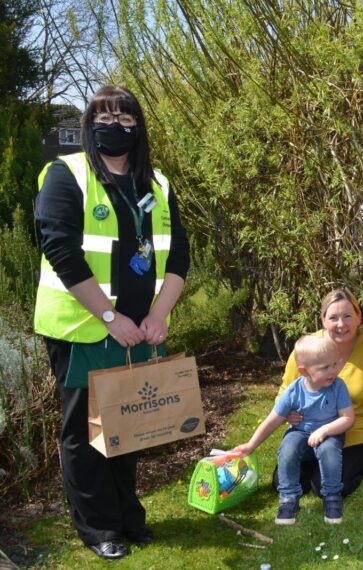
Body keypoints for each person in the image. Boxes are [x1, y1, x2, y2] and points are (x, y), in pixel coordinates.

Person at [33, 85, 189, 560]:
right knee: (83, 433)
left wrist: (159, 314)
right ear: (88, 124)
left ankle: (127, 518)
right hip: (82, 330)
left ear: (138, 128)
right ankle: (98, 528)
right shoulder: (67, 174)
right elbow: (60, 250)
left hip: (140, 330)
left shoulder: (157, 183)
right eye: (104, 116)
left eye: (125, 118)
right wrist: (110, 316)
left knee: (129, 424)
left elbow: (179, 252)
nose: (114, 125)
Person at [233, 336, 355, 525]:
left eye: (334, 364)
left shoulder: (338, 386)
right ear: (304, 371)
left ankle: (332, 496)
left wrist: (324, 430)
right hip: (300, 432)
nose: (332, 371)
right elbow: (272, 421)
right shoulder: (293, 391)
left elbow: (348, 418)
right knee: (288, 449)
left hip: (329, 433)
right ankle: (288, 498)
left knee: (328, 450)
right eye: (325, 368)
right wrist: (250, 445)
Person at [273, 289, 363, 497]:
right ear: (323, 320)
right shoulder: (307, 348)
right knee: (281, 483)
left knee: (324, 486)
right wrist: (287, 413)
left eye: (348, 316)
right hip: (310, 431)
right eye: (333, 317)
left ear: (359, 317)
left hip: (358, 433)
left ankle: (360, 463)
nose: (341, 324)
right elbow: (286, 388)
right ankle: (315, 464)